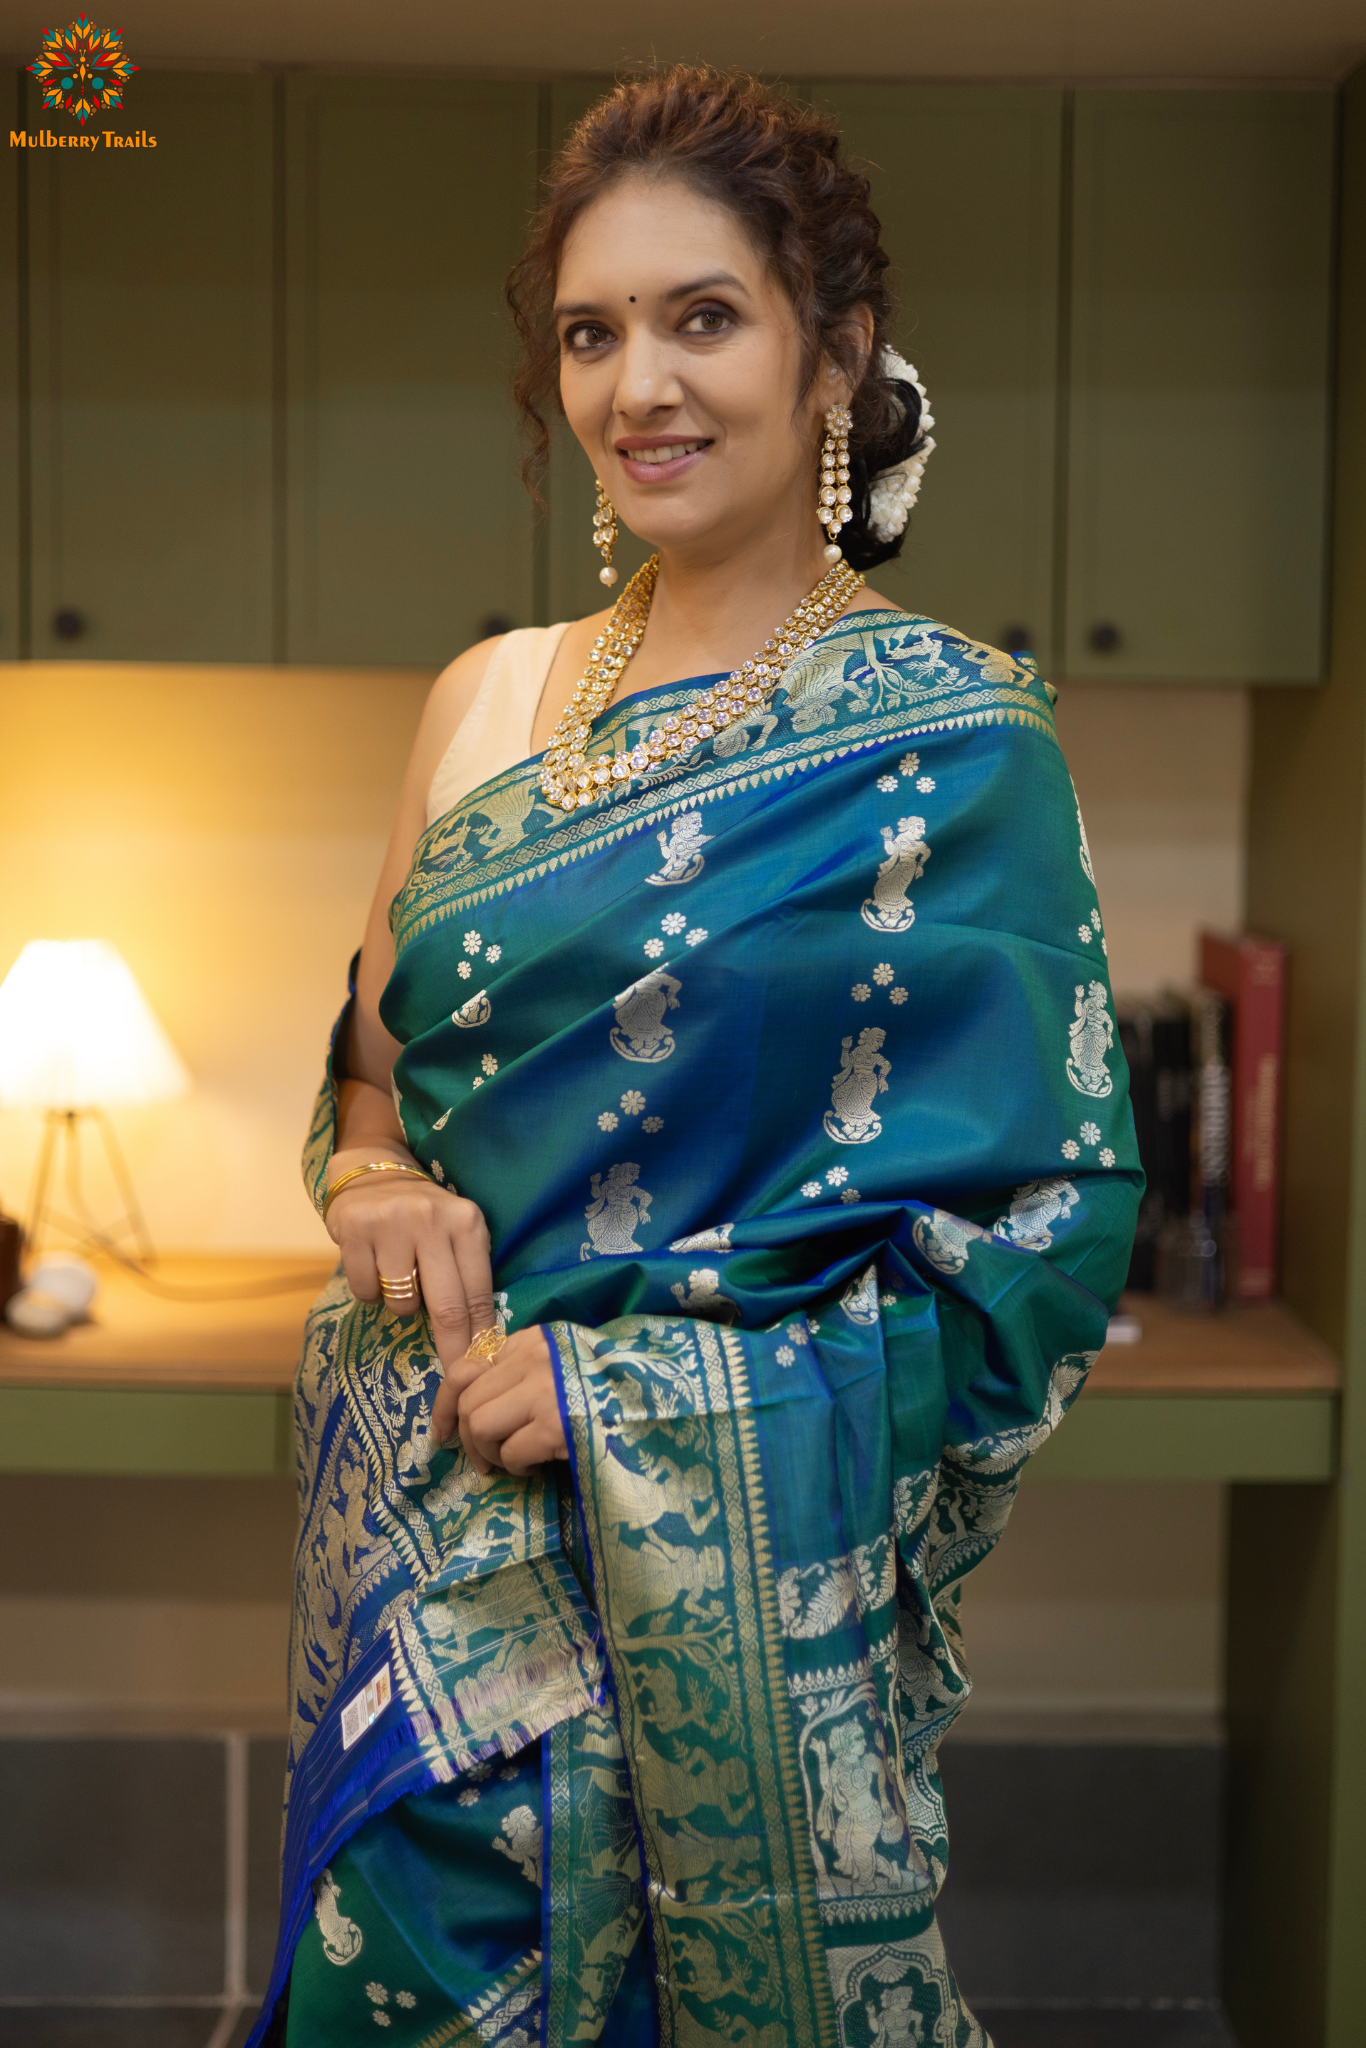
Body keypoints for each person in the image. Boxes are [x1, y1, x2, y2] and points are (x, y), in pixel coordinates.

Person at [252, 65, 1141, 2048]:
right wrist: (371, 1181)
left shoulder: (951, 745)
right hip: (435, 1625)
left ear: (834, 359)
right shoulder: (482, 702)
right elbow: (371, 1068)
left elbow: (1037, 1256)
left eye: (700, 317)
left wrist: (636, 1400)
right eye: (591, 331)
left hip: (741, 1660)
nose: (638, 381)